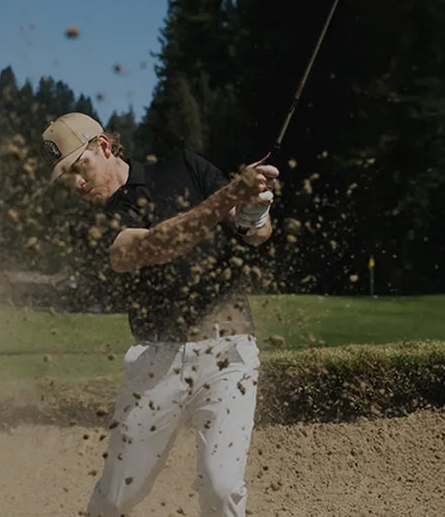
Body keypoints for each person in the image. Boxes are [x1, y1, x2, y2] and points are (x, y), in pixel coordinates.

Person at [41, 112, 278, 517]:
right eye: (67, 179)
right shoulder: (93, 225)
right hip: (156, 362)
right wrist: (228, 196)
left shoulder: (183, 166)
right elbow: (158, 245)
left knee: (220, 487)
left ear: (103, 146)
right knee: (115, 499)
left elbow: (253, 232)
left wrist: (254, 206)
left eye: (79, 168)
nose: (76, 185)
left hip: (229, 353)